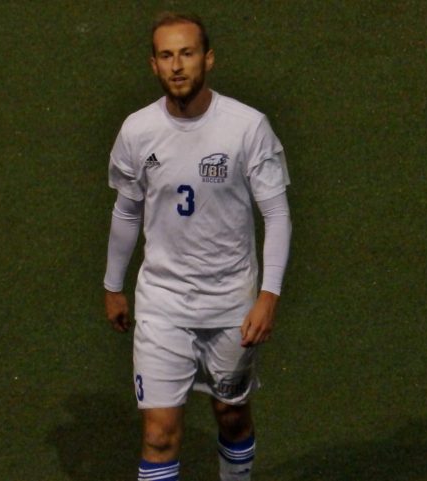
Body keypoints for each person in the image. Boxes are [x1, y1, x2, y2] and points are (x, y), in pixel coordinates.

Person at [103, 11, 291, 481]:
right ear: (154, 65)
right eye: (166, 55)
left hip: (231, 305)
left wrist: (268, 296)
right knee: (159, 435)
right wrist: (113, 285)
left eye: (186, 53)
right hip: (162, 304)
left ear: (208, 59)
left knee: (232, 415)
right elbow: (127, 210)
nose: (177, 65)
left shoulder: (247, 127)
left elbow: (277, 214)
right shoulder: (137, 131)